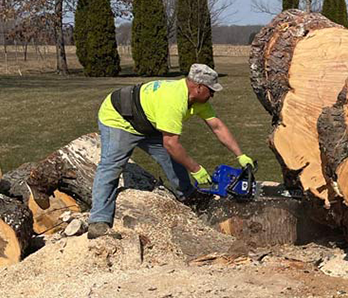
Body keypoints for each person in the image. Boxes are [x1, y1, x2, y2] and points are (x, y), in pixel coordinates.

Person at [87, 63, 254, 239]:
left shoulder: (198, 101)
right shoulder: (174, 100)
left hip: (148, 120)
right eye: (211, 90)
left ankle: (189, 197)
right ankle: (98, 221)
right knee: (111, 166)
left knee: (174, 158)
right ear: (198, 87)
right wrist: (196, 169)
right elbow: (171, 144)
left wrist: (240, 155)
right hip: (120, 118)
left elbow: (217, 126)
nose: (212, 95)